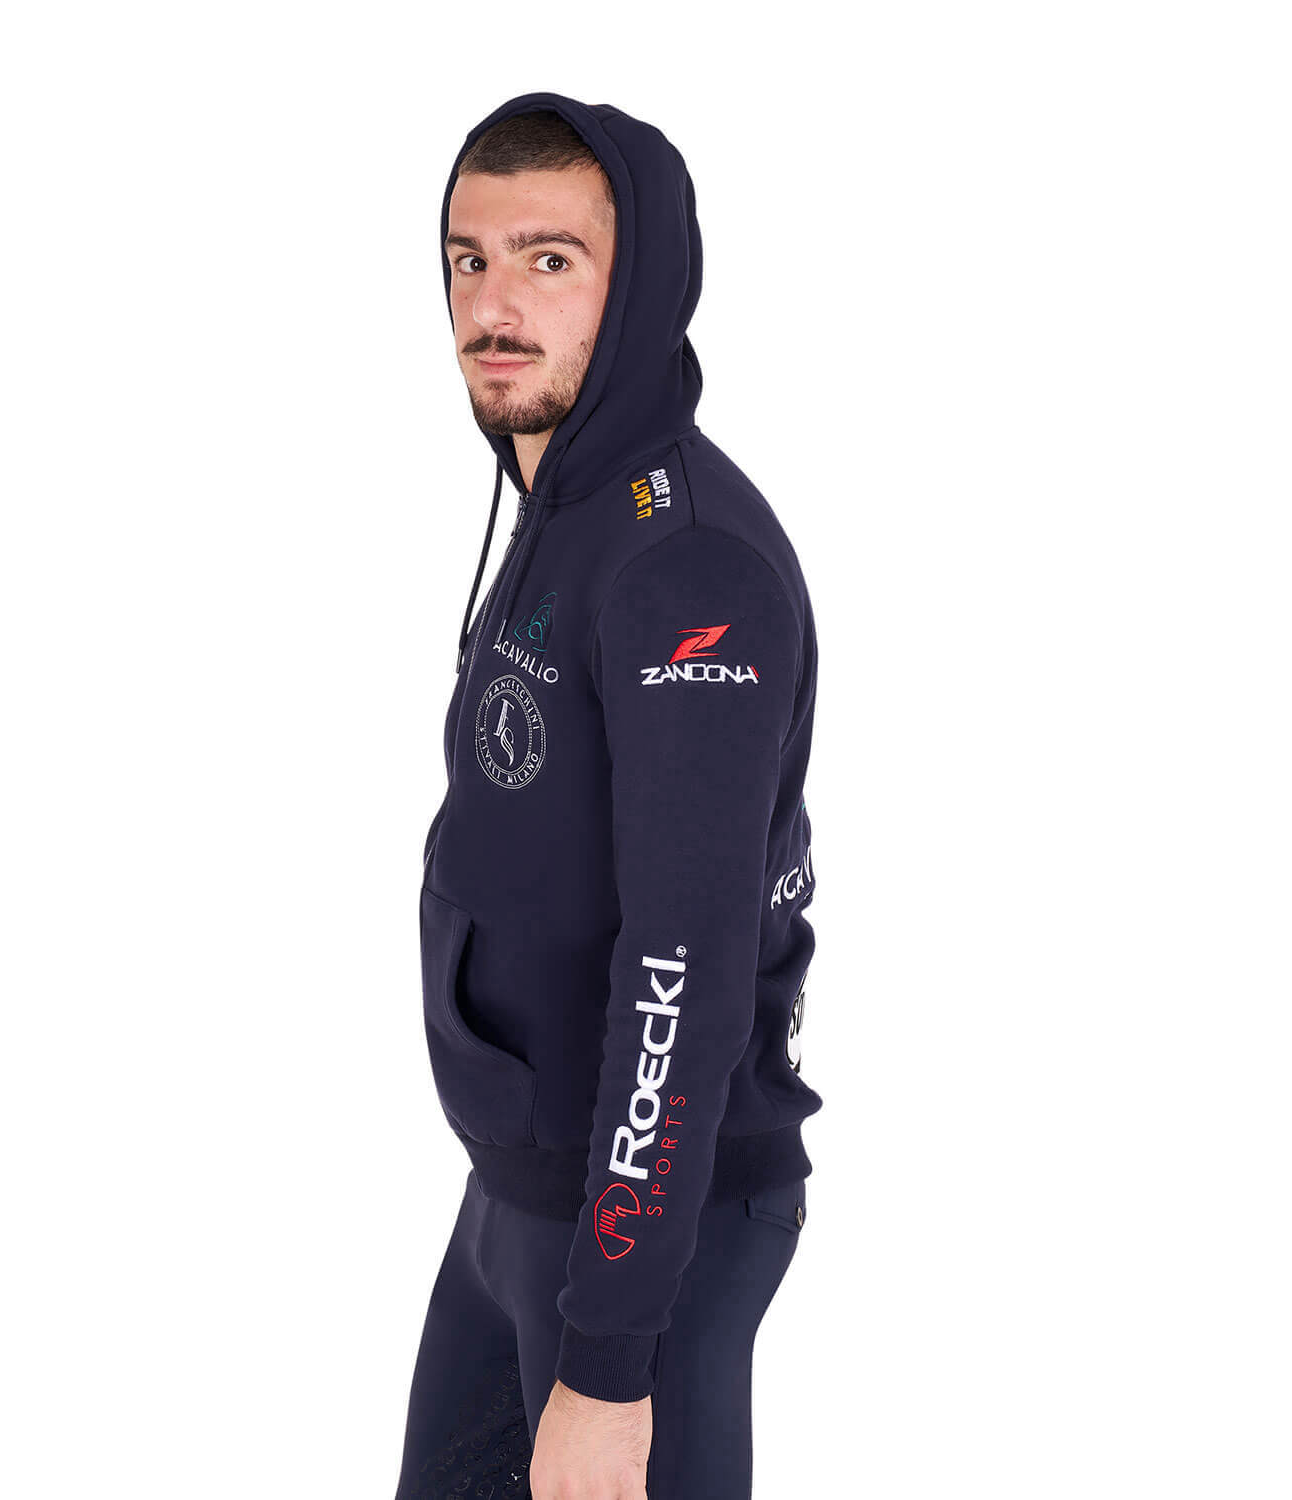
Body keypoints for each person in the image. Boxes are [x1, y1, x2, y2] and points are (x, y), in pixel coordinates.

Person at [397, 91, 822, 1499]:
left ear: (633, 288)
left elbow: (684, 969)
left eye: (550, 259)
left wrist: (611, 1357)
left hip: (645, 1239)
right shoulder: (571, 505)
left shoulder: (684, 569)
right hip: (522, 1196)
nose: (493, 304)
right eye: (469, 258)